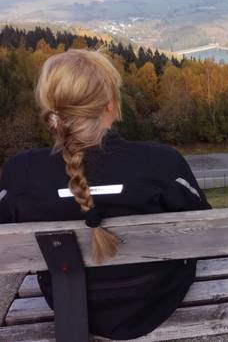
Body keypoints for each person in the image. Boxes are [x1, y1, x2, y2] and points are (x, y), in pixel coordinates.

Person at [0, 49, 211, 340]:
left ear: (51, 112)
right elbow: (205, 227)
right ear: (110, 105)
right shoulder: (161, 162)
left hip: (66, 301)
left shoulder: (19, 173)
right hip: (155, 300)